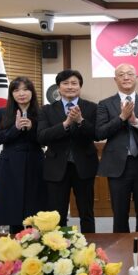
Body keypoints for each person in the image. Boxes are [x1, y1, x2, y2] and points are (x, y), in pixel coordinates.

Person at [96, 64, 138, 233]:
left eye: (130, 74)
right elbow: (100, 133)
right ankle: (121, 246)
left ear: (137, 78)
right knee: (120, 213)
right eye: (121, 74)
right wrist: (121, 118)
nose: (126, 77)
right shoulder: (105, 104)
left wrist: (136, 122)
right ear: (115, 79)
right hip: (117, 166)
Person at [37, 69, 98, 232]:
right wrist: (65, 124)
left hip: (84, 166)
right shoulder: (46, 110)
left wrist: (80, 121)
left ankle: (90, 245)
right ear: (58, 87)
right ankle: (58, 245)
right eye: (65, 83)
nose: (70, 87)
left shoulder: (92, 108)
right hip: (56, 167)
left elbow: (97, 134)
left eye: (74, 83)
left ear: (80, 86)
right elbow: (42, 137)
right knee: (57, 215)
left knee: (86, 212)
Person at [0, 76, 46, 234]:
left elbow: (46, 140)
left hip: (35, 163)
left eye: (25, 89)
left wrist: (33, 128)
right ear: (11, 93)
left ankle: (37, 242)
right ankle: (14, 241)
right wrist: (15, 128)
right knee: (14, 208)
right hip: (10, 165)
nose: (21, 93)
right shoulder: (2, 112)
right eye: (16, 90)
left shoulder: (41, 113)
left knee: (36, 207)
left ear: (32, 92)